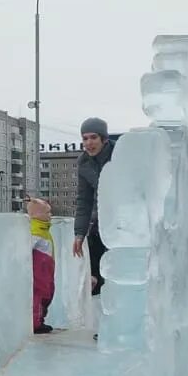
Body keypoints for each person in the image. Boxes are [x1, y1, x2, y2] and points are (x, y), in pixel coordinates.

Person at [73, 117, 115, 297]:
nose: (88, 143)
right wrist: (79, 233)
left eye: (93, 138)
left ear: (104, 139)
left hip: (125, 218)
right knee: (93, 249)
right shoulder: (84, 163)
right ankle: (94, 287)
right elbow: (84, 201)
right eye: (85, 138)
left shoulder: (118, 154)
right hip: (102, 218)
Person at [27, 196, 56, 334]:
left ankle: (40, 319)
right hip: (39, 272)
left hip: (47, 270)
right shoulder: (35, 231)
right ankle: (35, 323)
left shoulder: (44, 230)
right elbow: (26, 249)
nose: (50, 215)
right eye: (47, 212)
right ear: (35, 215)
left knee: (47, 294)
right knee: (38, 296)